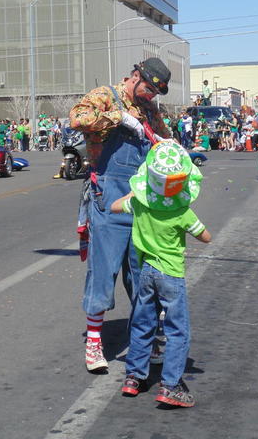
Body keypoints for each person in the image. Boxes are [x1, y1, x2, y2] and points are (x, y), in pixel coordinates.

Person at [70, 57, 172, 372]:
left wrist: (175, 151)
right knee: (104, 270)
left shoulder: (151, 110)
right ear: (136, 76)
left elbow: (164, 139)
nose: (151, 97)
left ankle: (144, 338)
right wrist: (118, 118)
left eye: (155, 93)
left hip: (142, 197)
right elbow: (77, 118)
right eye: (148, 89)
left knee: (141, 272)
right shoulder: (105, 95)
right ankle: (95, 342)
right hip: (108, 194)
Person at [111, 141, 210, 407]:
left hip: (146, 271)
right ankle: (170, 384)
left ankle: (134, 377)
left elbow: (115, 207)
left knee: (143, 323)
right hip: (171, 275)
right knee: (178, 330)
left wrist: (136, 196)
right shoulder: (182, 211)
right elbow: (206, 237)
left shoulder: (141, 205)